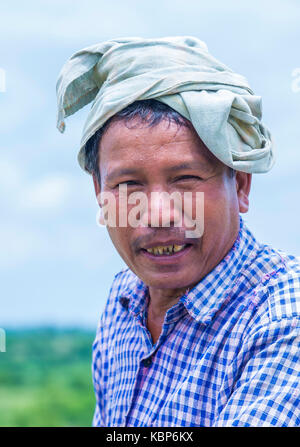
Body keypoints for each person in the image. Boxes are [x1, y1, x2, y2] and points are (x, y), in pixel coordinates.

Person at [56, 36, 300, 427]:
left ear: (240, 186)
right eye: (128, 185)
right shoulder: (124, 300)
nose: (157, 214)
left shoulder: (282, 319)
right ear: (99, 192)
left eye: (185, 178)